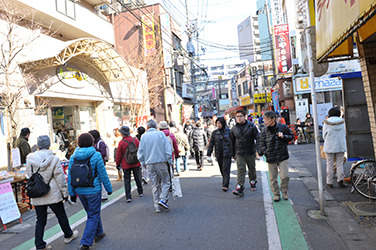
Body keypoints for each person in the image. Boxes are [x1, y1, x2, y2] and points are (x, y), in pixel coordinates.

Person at [26, 135, 78, 250]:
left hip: (37, 192)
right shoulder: (53, 159)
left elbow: (30, 175)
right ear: (48, 145)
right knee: (61, 215)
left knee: (40, 219)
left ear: (38, 145)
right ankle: (68, 235)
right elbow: (60, 178)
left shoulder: (30, 159)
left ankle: (39, 245)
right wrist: (65, 193)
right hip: (52, 193)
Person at [68, 133, 112, 250]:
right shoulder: (96, 155)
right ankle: (86, 243)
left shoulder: (73, 157)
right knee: (93, 214)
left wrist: (72, 193)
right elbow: (103, 174)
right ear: (92, 143)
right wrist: (109, 189)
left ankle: (99, 233)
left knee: (92, 213)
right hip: (93, 190)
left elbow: (70, 176)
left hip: (80, 191)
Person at [137, 120, 173, 213]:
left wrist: (143, 163)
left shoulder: (143, 137)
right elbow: (167, 149)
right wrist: (170, 161)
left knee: (155, 185)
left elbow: (140, 152)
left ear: (147, 127)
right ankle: (163, 199)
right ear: (156, 127)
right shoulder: (160, 135)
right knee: (166, 181)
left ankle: (157, 206)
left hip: (150, 164)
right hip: (161, 162)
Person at [258, 111, 294, 202]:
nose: (265, 121)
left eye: (266, 119)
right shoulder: (264, 131)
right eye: (264, 119)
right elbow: (261, 143)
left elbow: (291, 136)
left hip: (282, 156)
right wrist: (266, 152)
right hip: (271, 157)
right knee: (273, 179)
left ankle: (284, 191)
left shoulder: (283, 127)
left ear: (273, 119)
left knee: (284, 176)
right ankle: (276, 194)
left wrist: (284, 136)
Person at [230, 109, 259, 197]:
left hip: (250, 151)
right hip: (239, 153)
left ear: (245, 117)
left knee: (252, 169)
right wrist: (233, 153)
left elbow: (258, 137)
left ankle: (252, 181)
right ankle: (239, 187)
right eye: (237, 117)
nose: (239, 118)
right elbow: (232, 142)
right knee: (241, 170)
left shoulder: (251, 126)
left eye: (240, 116)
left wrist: (258, 150)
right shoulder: (234, 128)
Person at [116, 126, 143, 203]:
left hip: (126, 164)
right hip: (136, 162)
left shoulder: (121, 143)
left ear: (122, 133)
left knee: (127, 180)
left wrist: (118, 164)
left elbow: (119, 155)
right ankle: (140, 192)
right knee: (137, 177)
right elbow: (140, 150)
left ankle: (128, 196)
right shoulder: (135, 140)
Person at [323, 107, 347, 188]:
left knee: (329, 165)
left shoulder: (326, 123)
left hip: (329, 145)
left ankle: (329, 183)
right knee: (339, 164)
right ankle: (340, 181)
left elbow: (324, 135)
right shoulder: (342, 122)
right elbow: (345, 133)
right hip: (340, 145)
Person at [207, 117, 232, 191]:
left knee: (225, 168)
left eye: (220, 123)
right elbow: (211, 143)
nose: (218, 125)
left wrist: (233, 153)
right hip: (218, 153)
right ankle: (226, 179)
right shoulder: (214, 133)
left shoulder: (229, 131)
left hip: (227, 153)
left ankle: (225, 184)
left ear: (223, 123)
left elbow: (232, 143)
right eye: (217, 123)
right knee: (221, 168)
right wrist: (209, 153)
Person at [89, 130, 109, 201]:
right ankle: (101, 194)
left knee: (101, 178)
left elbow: (103, 153)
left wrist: (94, 152)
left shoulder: (100, 143)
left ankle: (104, 195)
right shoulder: (93, 143)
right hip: (94, 163)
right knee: (98, 179)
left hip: (100, 163)